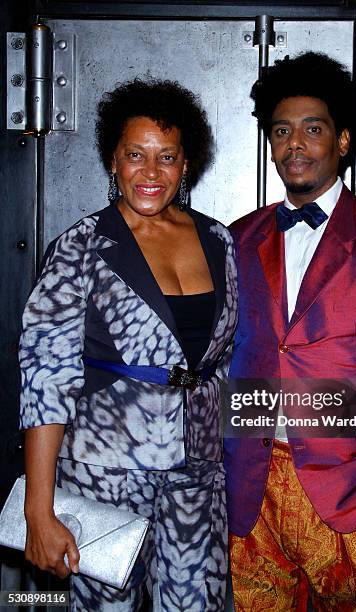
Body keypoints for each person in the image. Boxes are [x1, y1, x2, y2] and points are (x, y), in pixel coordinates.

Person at [224, 52, 356, 610]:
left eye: (312, 129)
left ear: (343, 141)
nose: (294, 143)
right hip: (252, 495)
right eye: (281, 131)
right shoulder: (237, 238)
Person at [19, 78, 237, 611]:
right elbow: (46, 378)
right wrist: (38, 510)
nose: (151, 172)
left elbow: (226, 360)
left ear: (187, 164)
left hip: (197, 479)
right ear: (112, 161)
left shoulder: (219, 240)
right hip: (102, 478)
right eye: (135, 155)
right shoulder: (82, 246)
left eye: (167, 157)